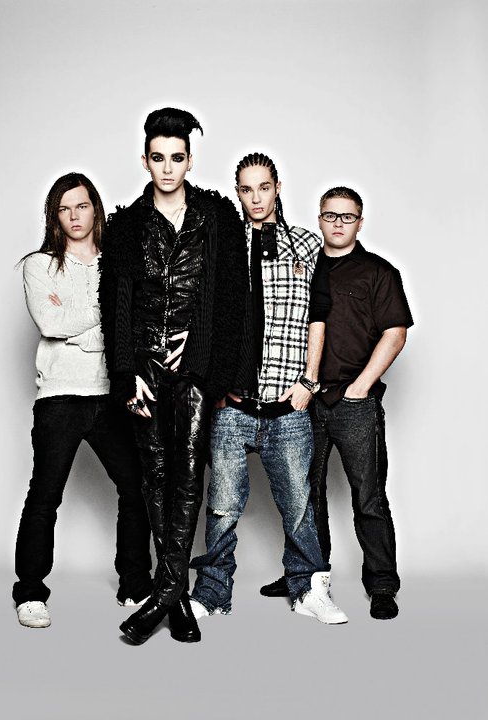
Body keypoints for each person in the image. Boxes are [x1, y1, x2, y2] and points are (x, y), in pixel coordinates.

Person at [99, 108, 248, 644]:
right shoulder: (126, 226)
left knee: (187, 473)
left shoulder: (218, 217)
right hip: (144, 371)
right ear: (145, 160)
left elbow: (233, 299)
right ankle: (177, 596)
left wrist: (205, 358)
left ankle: (163, 596)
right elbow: (115, 305)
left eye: (177, 158)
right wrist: (126, 374)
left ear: (190, 160)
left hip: (195, 371)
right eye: (158, 158)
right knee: (154, 476)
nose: (168, 168)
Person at [189, 153, 348, 624]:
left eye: (263, 187)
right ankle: (211, 593)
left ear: (278, 187)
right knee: (222, 507)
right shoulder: (223, 246)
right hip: (233, 406)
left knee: (299, 506)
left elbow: (318, 318)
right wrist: (215, 386)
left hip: (288, 404)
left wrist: (308, 383)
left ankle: (308, 590)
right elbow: (205, 315)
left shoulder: (307, 245)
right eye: (246, 189)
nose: (255, 198)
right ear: (237, 193)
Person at [261, 186, 413, 620]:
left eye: (347, 216)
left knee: (369, 496)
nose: (338, 223)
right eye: (330, 215)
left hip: (353, 403)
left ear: (360, 222)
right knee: (304, 495)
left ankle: (382, 585)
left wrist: (361, 386)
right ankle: (307, 576)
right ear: (320, 219)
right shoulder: (303, 266)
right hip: (304, 400)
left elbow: (396, 332)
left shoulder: (378, 272)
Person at [13, 172, 152, 628]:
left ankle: (135, 583)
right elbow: (51, 323)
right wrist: (107, 316)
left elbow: (132, 324)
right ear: (54, 216)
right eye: (64, 208)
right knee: (45, 495)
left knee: (135, 488)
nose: (74, 216)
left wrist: (86, 324)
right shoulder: (39, 265)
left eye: (82, 205)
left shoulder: (117, 263)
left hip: (111, 395)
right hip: (59, 398)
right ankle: (30, 593)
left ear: (96, 210)